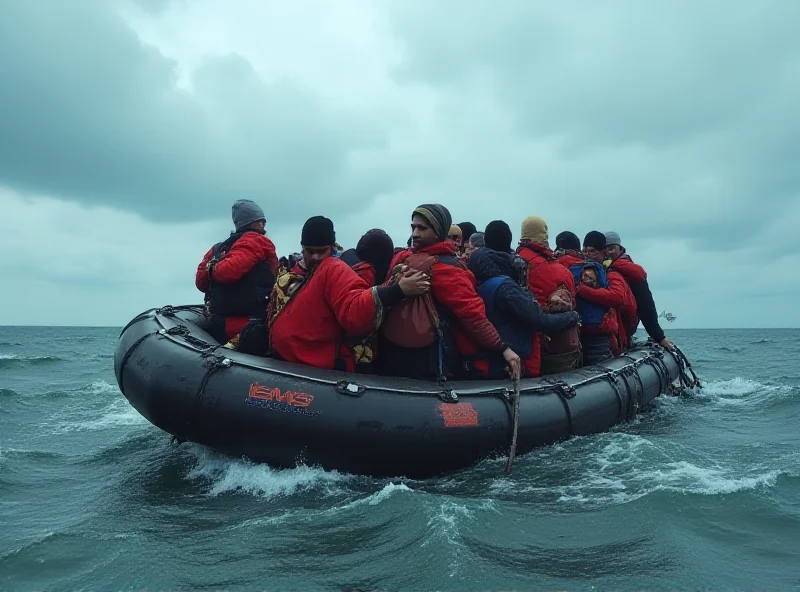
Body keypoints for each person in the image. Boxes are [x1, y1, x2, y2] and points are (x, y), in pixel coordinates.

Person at [267, 216, 429, 371]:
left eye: (321, 251)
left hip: (311, 366)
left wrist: (397, 291)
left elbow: (354, 310)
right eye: (310, 251)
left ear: (332, 247)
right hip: (286, 361)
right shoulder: (295, 273)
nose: (315, 256)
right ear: (302, 248)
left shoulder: (333, 269)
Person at [379, 204, 521, 381]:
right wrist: (503, 348)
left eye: (422, 228)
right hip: (427, 361)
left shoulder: (403, 259)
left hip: (391, 351)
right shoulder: (446, 268)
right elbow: (472, 316)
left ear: (438, 231)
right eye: (413, 227)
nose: (415, 233)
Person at [468, 247, 579, 378]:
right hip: (504, 364)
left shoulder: (480, 287)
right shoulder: (506, 288)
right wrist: (572, 317)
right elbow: (539, 320)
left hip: (487, 359)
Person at [195, 200, 279, 344]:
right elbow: (228, 271)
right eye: (260, 221)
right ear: (251, 222)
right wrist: (218, 268)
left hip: (218, 324)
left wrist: (212, 267)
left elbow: (201, 283)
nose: (263, 225)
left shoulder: (217, 249)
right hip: (250, 326)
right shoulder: (258, 241)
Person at [515, 216, 577, 376]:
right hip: (552, 346)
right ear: (545, 237)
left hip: (514, 344)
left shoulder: (511, 262)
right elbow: (573, 304)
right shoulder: (560, 271)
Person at [604, 232, 673, 350]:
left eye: (611, 248)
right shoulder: (597, 269)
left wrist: (659, 336)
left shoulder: (629, 271)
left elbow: (645, 304)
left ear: (620, 249)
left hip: (623, 330)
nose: (608, 252)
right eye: (605, 249)